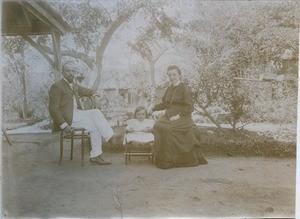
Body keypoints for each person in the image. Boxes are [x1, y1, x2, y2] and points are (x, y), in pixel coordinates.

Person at [49, 61, 114, 165]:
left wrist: (95, 95)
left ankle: (101, 148)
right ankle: (106, 143)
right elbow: (53, 109)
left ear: (75, 72)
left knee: (96, 115)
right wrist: (64, 125)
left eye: (73, 71)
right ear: (63, 72)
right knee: (96, 123)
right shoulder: (57, 86)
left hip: (77, 114)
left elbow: (89, 91)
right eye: (68, 71)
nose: (71, 73)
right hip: (67, 118)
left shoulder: (75, 85)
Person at [149, 65, 207, 169]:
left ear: (179, 75)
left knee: (167, 129)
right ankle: (162, 159)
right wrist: (153, 109)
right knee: (157, 125)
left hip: (183, 117)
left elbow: (190, 107)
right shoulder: (169, 89)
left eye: (174, 74)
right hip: (168, 115)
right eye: (169, 75)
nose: (172, 77)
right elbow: (165, 104)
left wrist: (178, 116)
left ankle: (172, 161)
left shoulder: (185, 88)